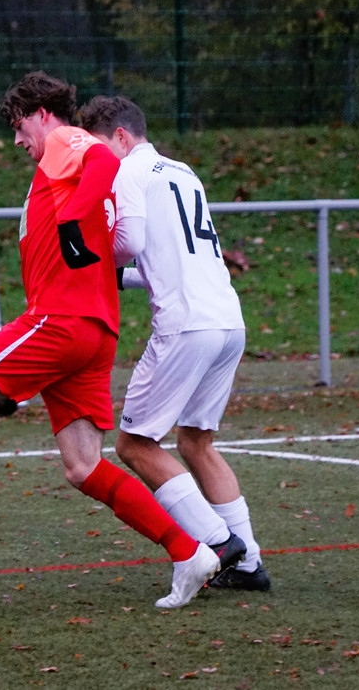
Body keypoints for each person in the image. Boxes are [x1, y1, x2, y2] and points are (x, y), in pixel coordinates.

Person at [0, 72, 240, 608]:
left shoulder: (65, 140)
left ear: (42, 114)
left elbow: (104, 161)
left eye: (19, 126)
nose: (17, 140)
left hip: (61, 322)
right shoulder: (61, 168)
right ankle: (189, 553)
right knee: (83, 466)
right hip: (93, 332)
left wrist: (75, 223)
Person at [80, 95, 270, 591]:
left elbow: (129, 244)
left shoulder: (126, 171)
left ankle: (219, 543)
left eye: (98, 145)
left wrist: (90, 256)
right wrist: (118, 278)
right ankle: (249, 565)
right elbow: (168, 260)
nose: (95, 158)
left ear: (121, 136)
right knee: (195, 442)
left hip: (186, 325)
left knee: (134, 444)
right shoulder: (183, 171)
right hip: (227, 320)